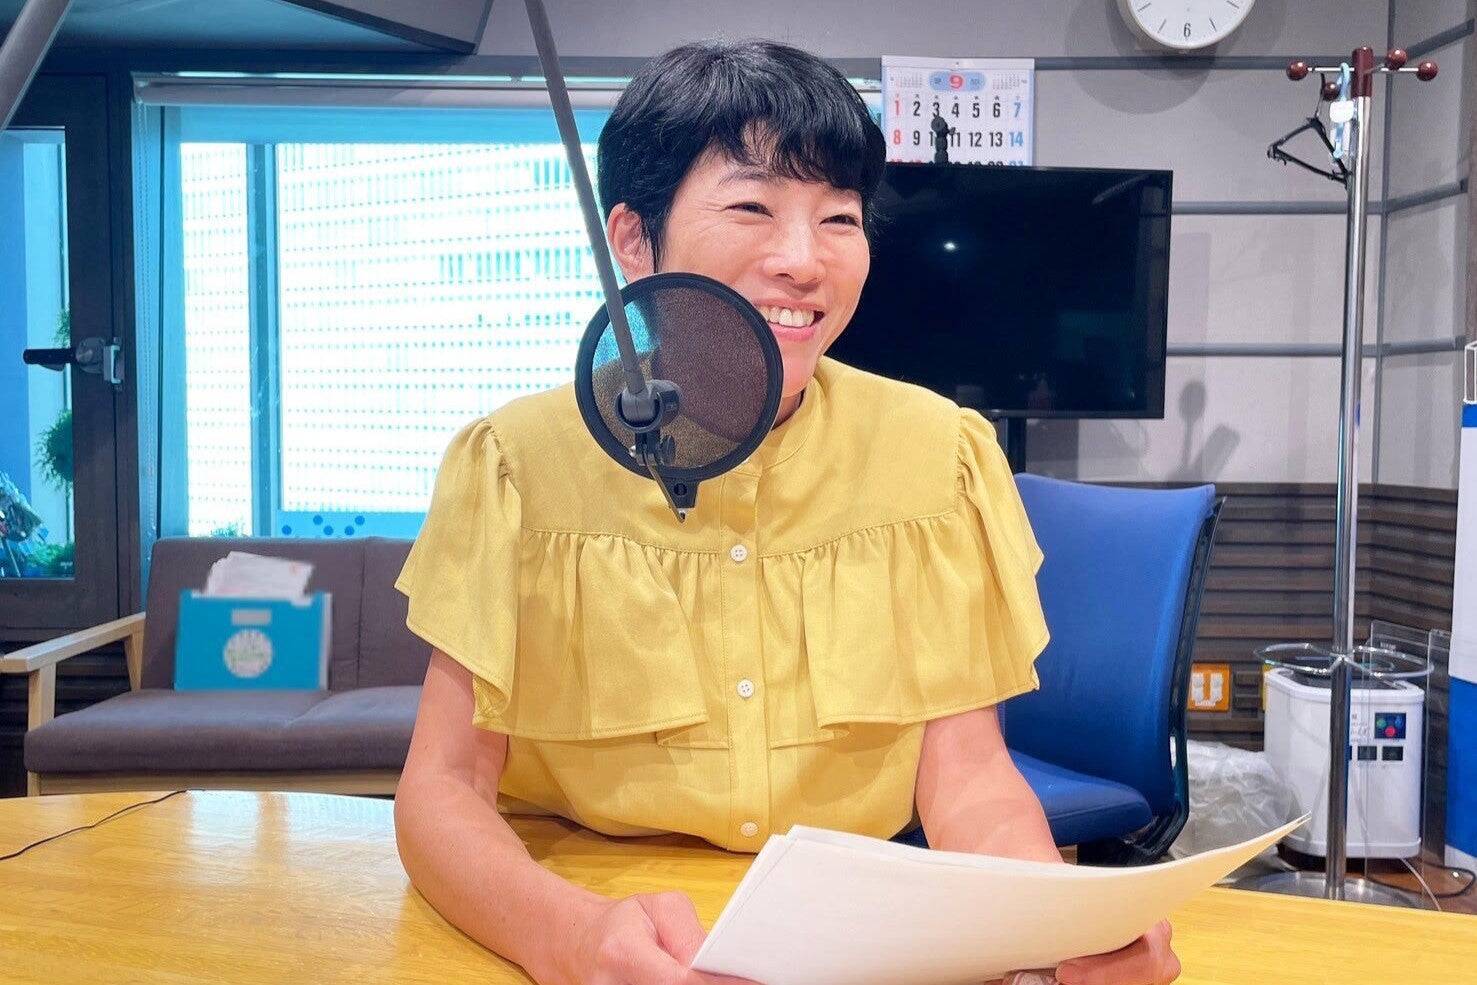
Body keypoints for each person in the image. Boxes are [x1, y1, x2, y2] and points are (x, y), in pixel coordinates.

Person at [392, 39, 1181, 985]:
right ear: (633, 240)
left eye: (838, 217)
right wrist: (563, 935)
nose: (804, 261)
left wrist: (1056, 922)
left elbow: (969, 779)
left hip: (861, 936)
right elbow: (443, 788)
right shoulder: (514, 464)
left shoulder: (940, 455)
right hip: (586, 906)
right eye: (751, 207)